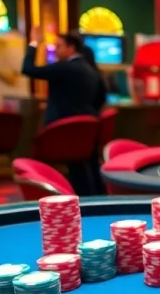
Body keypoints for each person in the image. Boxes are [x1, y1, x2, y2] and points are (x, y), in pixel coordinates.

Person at [22, 27, 107, 196]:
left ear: (71, 48)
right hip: (86, 129)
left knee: (77, 168)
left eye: (59, 46)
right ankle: (93, 200)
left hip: (62, 132)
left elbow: (28, 69)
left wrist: (34, 44)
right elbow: (98, 99)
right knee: (85, 169)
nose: (56, 50)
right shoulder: (90, 70)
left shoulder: (63, 68)